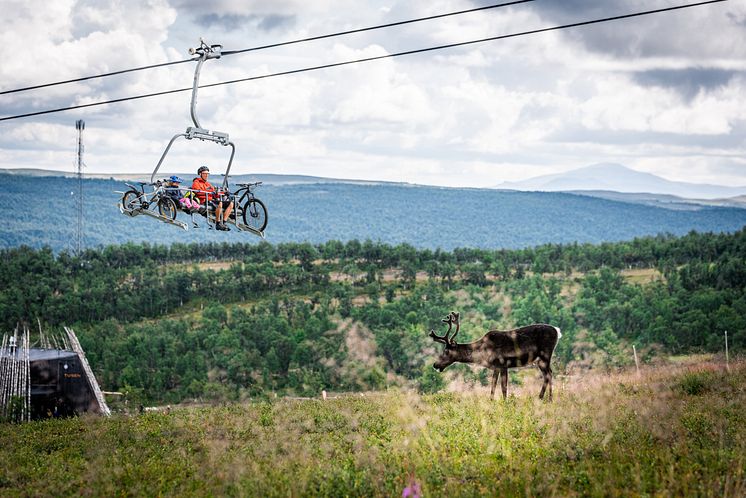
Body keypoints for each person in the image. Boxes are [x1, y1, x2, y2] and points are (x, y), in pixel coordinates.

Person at [191, 166, 233, 231]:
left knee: (230, 204)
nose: (206, 175)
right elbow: (198, 192)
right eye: (204, 173)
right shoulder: (196, 182)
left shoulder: (208, 184)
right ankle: (218, 223)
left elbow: (215, 194)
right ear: (200, 174)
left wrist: (223, 193)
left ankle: (223, 222)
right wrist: (210, 192)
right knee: (220, 203)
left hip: (211, 200)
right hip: (204, 200)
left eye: (207, 174)